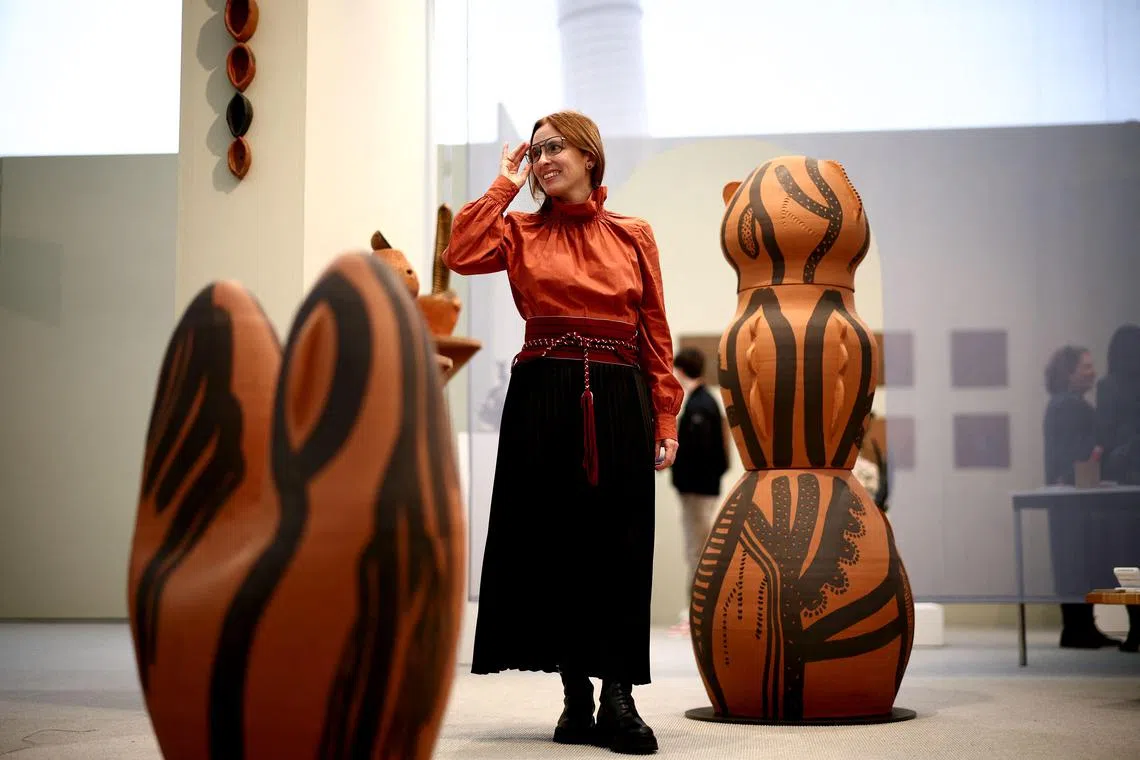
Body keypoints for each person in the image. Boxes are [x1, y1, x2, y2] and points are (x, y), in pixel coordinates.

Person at [443, 110, 682, 755]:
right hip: (543, 391)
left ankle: (620, 700)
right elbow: (458, 252)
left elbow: (654, 332)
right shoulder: (518, 229)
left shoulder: (634, 234)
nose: (544, 159)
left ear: (589, 157)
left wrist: (666, 413)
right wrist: (502, 183)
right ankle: (577, 700)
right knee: (555, 545)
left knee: (620, 546)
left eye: (556, 149)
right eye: (536, 151)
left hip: (616, 390)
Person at [1042, 345, 1118, 649]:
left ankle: (1080, 627)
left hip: (1070, 500)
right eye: (1085, 367)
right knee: (1077, 560)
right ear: (1069, 372)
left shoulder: (1062, 405)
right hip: (1074, 500)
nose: (1092, 372)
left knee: (1076, 562)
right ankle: (1078, 628)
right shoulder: (1069, 407)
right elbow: (1078, 453)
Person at [668, 347, 728, 636]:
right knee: (697, 549)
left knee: (698, 551)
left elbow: (705, 454)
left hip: (699, 492)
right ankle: (697, 613)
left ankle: (698, 615)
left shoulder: (700, 406)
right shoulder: (703, 403)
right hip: (700, 491)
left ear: (679, 370)